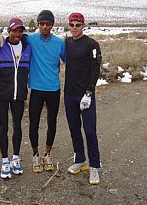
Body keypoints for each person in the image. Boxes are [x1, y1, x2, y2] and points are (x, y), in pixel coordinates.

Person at [64, 12, 102, 185]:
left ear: (83, 25)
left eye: (78, 25)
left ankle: (94, 166)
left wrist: (89, 92)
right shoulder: (67, 43)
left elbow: (95, 69)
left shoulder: (92, 45)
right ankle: (80, 159)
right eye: (71, 25)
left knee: (89, 131)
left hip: (85, 95)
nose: (74, 28)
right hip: (69, 94)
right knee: (74, 129)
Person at [27, 10, 66, 173]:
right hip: (36, 89)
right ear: (38, 24)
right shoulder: (30, 39)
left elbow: (69, 60)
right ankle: (35, 154)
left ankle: (47, 154)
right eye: (41, 24)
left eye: (48, 24)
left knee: (52, 122)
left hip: (53, 89)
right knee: (34, 123)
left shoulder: (59, 43)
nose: (44, 27)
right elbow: (12, 38)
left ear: (52, 25)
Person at [0, 18, 31, 179]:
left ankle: (15, 158)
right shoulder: (0, 45)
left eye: (20, 31)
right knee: (4, 126)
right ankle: (4, 161)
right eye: (14, 30)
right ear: (9, 31)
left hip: (19, 95)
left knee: (17, 125)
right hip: (1, 95)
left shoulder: (27, 47)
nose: (17, 34)